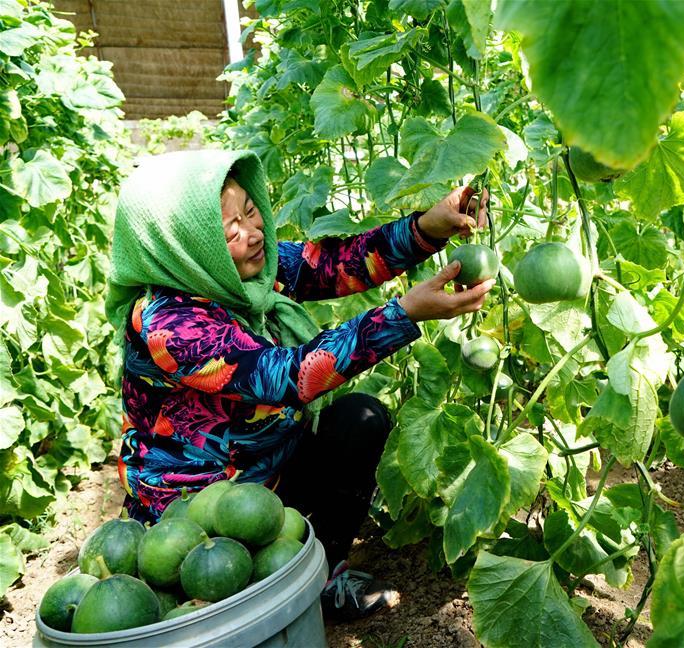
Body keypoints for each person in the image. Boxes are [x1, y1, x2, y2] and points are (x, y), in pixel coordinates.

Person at [104, 149, 493, 620]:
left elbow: (334, 263)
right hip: (201, 516)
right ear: (186, 247)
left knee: (360, 420)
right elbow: (287, 376)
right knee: (226, 594)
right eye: (230, 230)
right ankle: (258, 584)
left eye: (251, 212)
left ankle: (322, 573)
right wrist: (403, 314)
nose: (253, 234)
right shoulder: (171, 326)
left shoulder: (247, 275)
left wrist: (427, 228)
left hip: (271, 469)